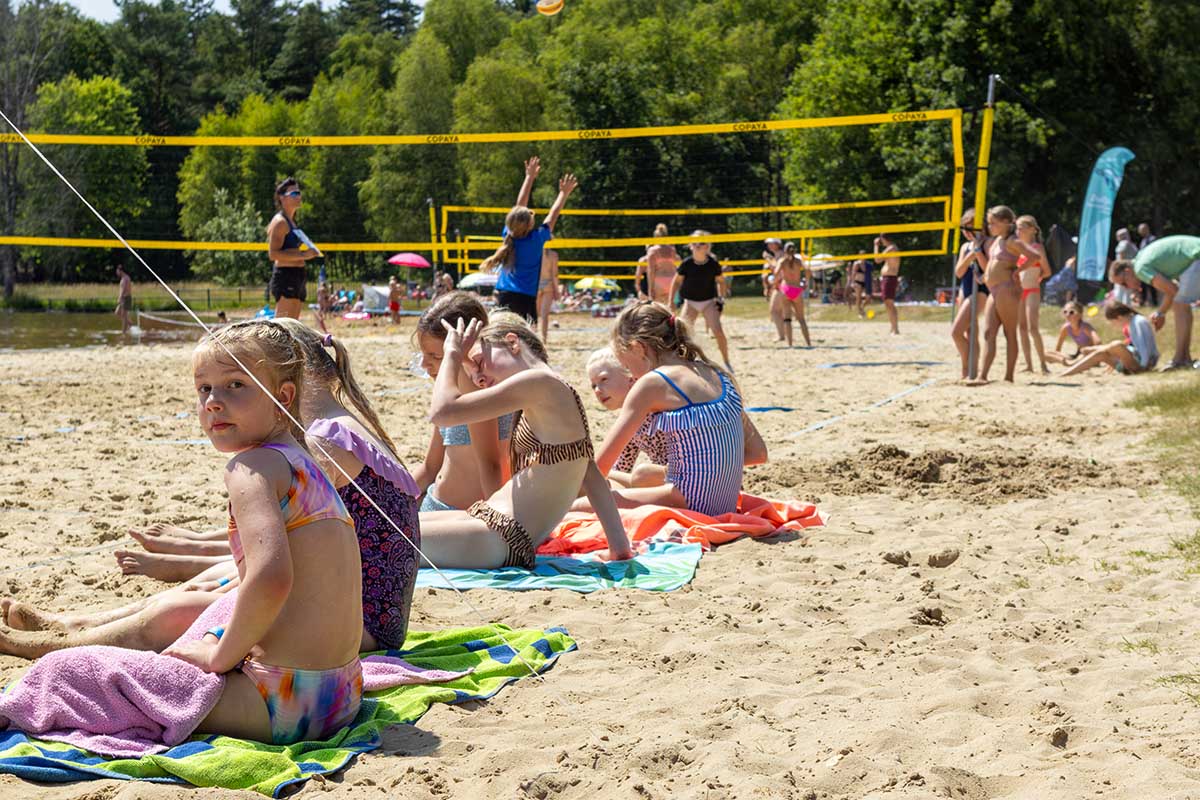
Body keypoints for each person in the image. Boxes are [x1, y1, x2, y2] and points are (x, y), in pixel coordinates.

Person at [3, 319, 422, 659]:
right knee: (208, 586)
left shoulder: (326, 439)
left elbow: (275, 551)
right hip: (345, 602)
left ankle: (60, 641)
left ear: (286, 382)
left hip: (356, 620)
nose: (215, 400)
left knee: (184, 606)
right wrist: (187, 546)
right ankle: (75, 625)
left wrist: (179, 554)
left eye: (239, 381)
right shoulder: (337, 429)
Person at [172, 320, 362, 743]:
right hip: (343, 695)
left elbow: (271, 578)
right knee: (224, 607)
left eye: (235, 384)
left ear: (284, 396)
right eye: (204, 389)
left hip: (285, 703)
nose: (214, 403)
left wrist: (220, 658)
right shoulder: (306, 459)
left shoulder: (251, 467)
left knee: (70, 675)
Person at [418, 315, 634, 568]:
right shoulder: (556, 391)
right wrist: (619, 549)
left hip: (500, 537)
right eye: (473, 372)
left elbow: (442, 412)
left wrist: (453, 354)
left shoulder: (539, 383)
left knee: (379, 539)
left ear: (513, 343)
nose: (478, 379)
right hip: (490, 526)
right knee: (383, 526)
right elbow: (592, 476)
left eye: (479, 362)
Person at [584, 302, 760, 516]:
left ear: (638, 348)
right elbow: (758, 453)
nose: (632, 375)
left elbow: (598, 470)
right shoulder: (716, 373)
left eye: (628, 366)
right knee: (630, 479)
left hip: (687, 501)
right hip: (725, 504)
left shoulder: (653, 383)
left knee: (575, 506)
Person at [584, 343, 767, 495]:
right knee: (609, 476)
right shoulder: (633, 418)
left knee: (639, 475)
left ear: (630, 375)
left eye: (604, 380)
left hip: (690, 483)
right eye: (593, 385)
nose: (597, 390)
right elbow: (619, 467)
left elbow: (602, 470)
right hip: (691, 482)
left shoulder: (660, 403)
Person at [411, 292, 512, 512]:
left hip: (462, 514)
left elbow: (491, 465)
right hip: (437, 504)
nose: (425, 365)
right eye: (423, 355)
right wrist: (395, 499)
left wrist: (502, 528)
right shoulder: (450, 387)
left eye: (436, 357)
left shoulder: (478, 388)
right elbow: (430, 467)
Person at [483, 156, 577, 323]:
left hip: (504, 294)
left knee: (501, 336)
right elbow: (552, 215)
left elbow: (520, 206)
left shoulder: (509, 235)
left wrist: (529, 177)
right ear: (528, 225)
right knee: (525, 341)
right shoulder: (536, 239)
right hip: (525, 297)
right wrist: (564, 193)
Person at [964, 206, 1046, 383]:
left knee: (1010, 333)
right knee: (988, 333)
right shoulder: (997, 241)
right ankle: (982, 376)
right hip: (994, 289)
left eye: (993, 222)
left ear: (1005, 223)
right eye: (989, 222)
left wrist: (1019, 271)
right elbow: (993, 265)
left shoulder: (1012, 241)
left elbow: (1034, 256)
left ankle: (1008, 376)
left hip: (1007, 289)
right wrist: (984, 277)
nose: (990, 225)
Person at [1129, 234, 1200, 370]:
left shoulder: (1139, 268)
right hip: (1195, 256)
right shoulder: (1140, 257)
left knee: (1180, 305)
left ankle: (1179, 360)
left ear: (1127, 272)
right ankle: (1184, 358)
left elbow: (1172, 290)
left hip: (1196, 258)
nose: (1130, 287)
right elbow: (1172, 289)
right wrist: (1161, 313)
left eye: (1124, 283)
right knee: (1181, 305)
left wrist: (1160, 313)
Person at [670, 232, 732, 370]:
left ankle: (727, 362)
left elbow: (721, 281)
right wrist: (671, 301)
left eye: (701, 243)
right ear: (690, 246)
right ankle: (682, 363)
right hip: (690, 301)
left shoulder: (713, 264)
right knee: (683, 334)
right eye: (695, 243)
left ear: (707, 247)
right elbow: (675, 282)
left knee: (718, 332)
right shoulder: (687, 263)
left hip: (708, 301)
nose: (698, 246)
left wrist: (721, 298)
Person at [267, 177, 320, 321]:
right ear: (282, 198)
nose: (299, 196)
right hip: (286, 275)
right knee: (282, 328)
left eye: (299, 192)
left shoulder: (292, 222)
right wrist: (304, 254)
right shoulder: (280, 222)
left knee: (293, 326)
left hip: (297, 275)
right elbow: (273, 254)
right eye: (294, 193)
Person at [1062, 302, 1159, 376]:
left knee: (1116, 344)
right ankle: (1066, 373)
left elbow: (1144, 348)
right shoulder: (1132, 322)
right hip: (1132, 364)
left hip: (1143, 365)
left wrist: (1144, 367)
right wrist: (1117, 357)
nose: (1113, 325)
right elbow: (1133, 346)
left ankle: (1094, 349)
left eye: (1113, 322)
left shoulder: (1139, 321)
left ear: (1119, 317)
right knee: (1101, 354)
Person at [950, 210, 990, 380]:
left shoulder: (988, 243)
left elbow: (988, 268)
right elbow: (959, 272)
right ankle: (969, 370)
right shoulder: (965, 247)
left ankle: (969, 368)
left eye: (969, 228)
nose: (966, 232)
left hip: (980, 290)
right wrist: (969, 255)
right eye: (964, 229)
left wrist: (978, 251)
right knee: (969, 333)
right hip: (965, 288)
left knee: (956, 332)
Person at [1015, 215, 1051, 374]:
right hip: (1019, 291)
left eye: (1021, 227)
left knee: (1033, 328)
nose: (1018, 230)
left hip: (1032, 290)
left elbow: (1047, 271)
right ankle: (1029, 365)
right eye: (1017, 227)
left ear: (1032, 230)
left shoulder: (1037, 248)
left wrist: (1038, 278)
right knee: (1022, 328)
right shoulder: (1017, 248)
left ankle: (1043, 364)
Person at [772, 242, 812, 347]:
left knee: (787, 318)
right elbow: (808, 270)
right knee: (801, 319)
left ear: (784, 251)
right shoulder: (798, 261)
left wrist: (776, 284)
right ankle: (808, 343)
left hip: (786, 288)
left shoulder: (782, 261)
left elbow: (776, 273)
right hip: (796, 288)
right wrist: (806, 282)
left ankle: (790, 344)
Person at [1046, 301, 1100, 365]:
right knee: (1046, 353)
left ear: (1080, 315)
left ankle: (1071, 363)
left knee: (1081, 356)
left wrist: (1095, 357)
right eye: (1065, 312)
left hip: (1088, 354)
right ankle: (1069, 362)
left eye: (1071, 312)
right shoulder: (1066, 328)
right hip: (1078, 354)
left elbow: (1098, 342)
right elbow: (1058, 348)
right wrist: (1056, 356)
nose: (1067, 315)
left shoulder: (1085, 327)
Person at [642, 224, 681, 306]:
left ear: (655, 237)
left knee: (658, 307)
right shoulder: (672, 249)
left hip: (659, 279)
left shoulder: (652, 251)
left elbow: (651, 271)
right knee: (671, 305)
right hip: (672, 279)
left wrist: (650, 289)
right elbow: (676, 265)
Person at [873, 232, 901, 335]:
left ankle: (895, 328)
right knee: (888, 304)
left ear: (884, 239)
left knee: (889, 303)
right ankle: (893, 327)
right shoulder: (892, 248)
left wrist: (875, 245)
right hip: (888, 278)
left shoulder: (891, 248)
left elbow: (877, 259)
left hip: (890, 278)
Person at [536, 248, 561, 343]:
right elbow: (554, 274)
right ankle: (544, 339)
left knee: (534, 314)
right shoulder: (553, 255)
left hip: (535, 284)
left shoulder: (532, 252)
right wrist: (557, 290)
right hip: (547, 284)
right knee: (544, 315)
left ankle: (531, 338)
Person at [114, 263, 132, 333]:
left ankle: (124, 332)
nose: (116, 272)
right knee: (117, 312)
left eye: (117, 271)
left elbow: (123, 289)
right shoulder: (126, 277)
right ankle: (130, 324)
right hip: (125, 298)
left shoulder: (125, 279)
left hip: (125, 298)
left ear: (120, 271)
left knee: (124, 316)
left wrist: (119, 298)